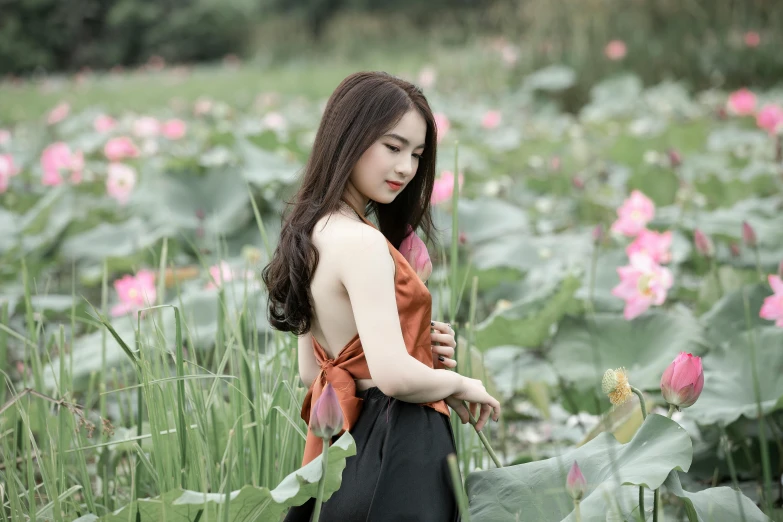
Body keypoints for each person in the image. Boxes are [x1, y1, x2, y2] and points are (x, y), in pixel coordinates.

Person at [262, 71, 501, 522]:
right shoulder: (363, 243)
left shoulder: (311, 233)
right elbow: (393, 378)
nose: (406, 168)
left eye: (416, 154)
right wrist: (462, 384)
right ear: (347, 138)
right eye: (393, 147)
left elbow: (313, 368)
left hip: (344, 448)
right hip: (400, 447)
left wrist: (418, 350)